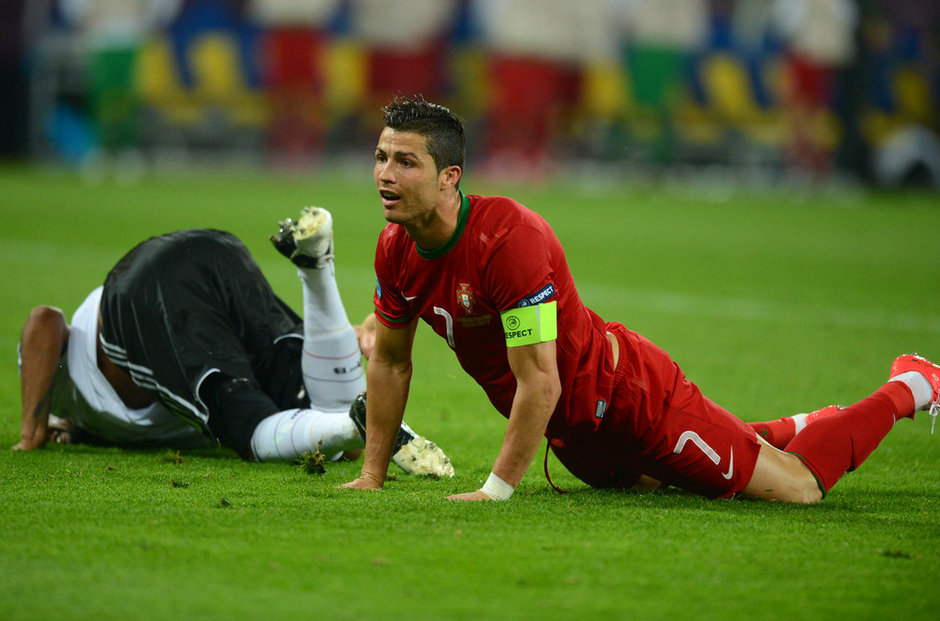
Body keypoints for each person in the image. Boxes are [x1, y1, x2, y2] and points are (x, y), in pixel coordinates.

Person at [341, 96, 940, 502]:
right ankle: (802, 424)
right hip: (576, 439)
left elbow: (540, 381)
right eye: (380, 157)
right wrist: (372, 476)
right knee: (732, 453)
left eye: (405, 162)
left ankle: (911, 385)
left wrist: (495, 490)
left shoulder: (506, 239)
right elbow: (390, 359)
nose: (385, 174)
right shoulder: (395, 247)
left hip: (630, 401)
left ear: (450, 176)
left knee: (795, 487)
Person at [14, 207, 454, 479]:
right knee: (334, 440)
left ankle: (357, 418)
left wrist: (31, 433)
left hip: (143, 292)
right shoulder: (103, 424)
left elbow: (44, 322)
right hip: (214, 249)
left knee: (247, 427)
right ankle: (317, 273)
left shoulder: (73, 393)